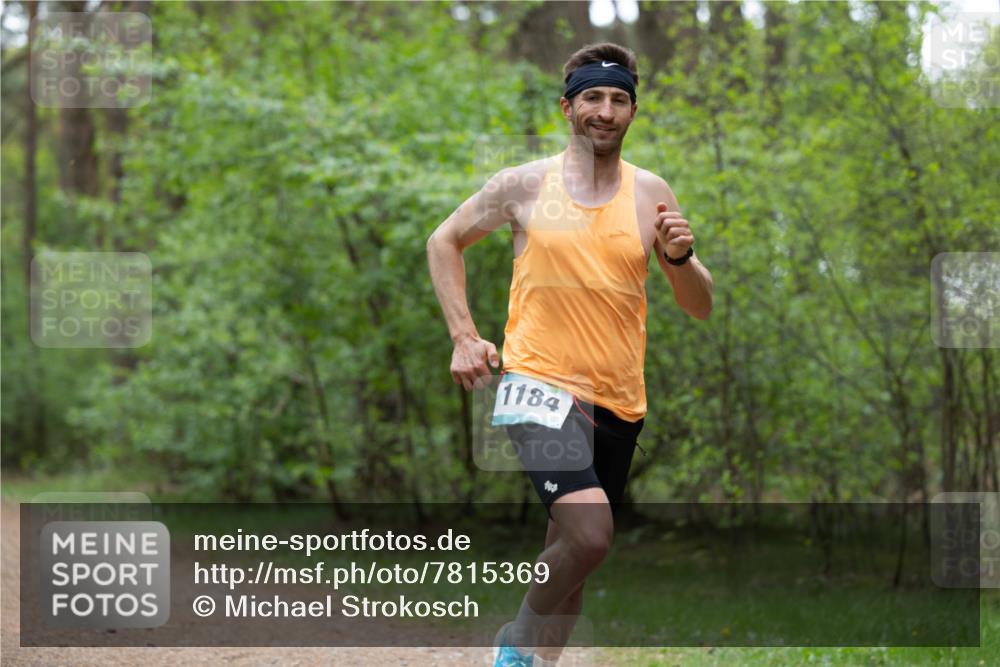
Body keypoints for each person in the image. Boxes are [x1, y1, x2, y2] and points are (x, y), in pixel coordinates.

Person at [426, 42, 713, 666]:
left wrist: (680, 257)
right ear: (568, 107)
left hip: (620, 400)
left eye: (618, 99)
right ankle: (516, 645)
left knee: (574, 564)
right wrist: (462, 335)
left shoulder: (651, 193)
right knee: (591, 536)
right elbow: (443, 239)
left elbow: (699, 304)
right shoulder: (524, 184)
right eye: (592, 98)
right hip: (538, 384)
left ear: (632, 111)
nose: (605, 111)